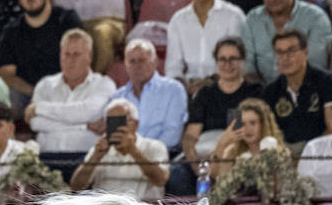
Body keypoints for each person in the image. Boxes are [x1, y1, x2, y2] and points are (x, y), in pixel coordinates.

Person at [26, 28, 118, 175]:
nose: (70, 60)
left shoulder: (104, 84)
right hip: (46, 162)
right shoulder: (45, 84)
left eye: (76, 54)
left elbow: (87, 112)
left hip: (87, 162)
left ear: (88, 56)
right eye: (66, 54)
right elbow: (36, 123)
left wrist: (39, 108)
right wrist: (85, 126)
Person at [179, 36, 262, 186]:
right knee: (179, 175)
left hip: (243, 150)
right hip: (208, 155)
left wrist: (225, 145)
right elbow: (191, 135)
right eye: (222, 59)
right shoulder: (205, 93)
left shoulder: (255, 92)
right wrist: (195, 163)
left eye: (233, 59)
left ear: (242, 61)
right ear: (216, 62)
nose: (227, 64)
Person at [0, 0, 85, 108]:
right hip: (27, 95)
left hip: (65, 91)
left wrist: (55, 94)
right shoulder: (11, 30)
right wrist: (37, 94)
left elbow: (80, 61)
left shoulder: (67, 20)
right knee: (1, 102)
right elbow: (6, 74)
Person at [166, 0, 246, 92]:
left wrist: (208, 85)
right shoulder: (178, 20)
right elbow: (173, 68)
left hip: (226, 87)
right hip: (188, 89)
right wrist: (182, 88)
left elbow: (238, 63)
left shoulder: (233, 16)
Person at [240, 0, 332, 85]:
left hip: (309, 91)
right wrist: (265, 94)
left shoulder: (315, 17)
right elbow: (247, 67)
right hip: (263, 93)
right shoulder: (252, 18)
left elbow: (315, 63)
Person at [70, 98, 170, 200]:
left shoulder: (155, 146)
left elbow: (160, 180)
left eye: (121, 121)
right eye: (112, 122)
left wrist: (133, 151)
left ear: (136, 124)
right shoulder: (99, 149)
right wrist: (96, 156)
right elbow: (76, 188)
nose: (116, 126)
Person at [259, 27, 332, 152]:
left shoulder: (326, 81)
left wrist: (309, 154)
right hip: (285, 154)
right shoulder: (270, 92)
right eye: (279, 52)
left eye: (291, 51)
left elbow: (331, 128)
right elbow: (267, 133)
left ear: (305, 53)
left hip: (320, 151)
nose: (285, 58)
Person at [110, 38, 187, 152]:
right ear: (125, 65)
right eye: (132, 61)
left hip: (162, 156)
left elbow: (172, 135)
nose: (137, 66)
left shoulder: (173, 89)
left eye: (142, 60)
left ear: (155, 62)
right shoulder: (118, 97)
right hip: (126, 157)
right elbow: (115, 137)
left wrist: (142, 153)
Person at [210, 97, 287, 179]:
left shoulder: (280, 151)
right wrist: (222, 144)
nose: (248, 129)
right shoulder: (231, 151)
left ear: (263, 125)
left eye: (252, 123)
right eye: (243, 124)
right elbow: (214, 175)